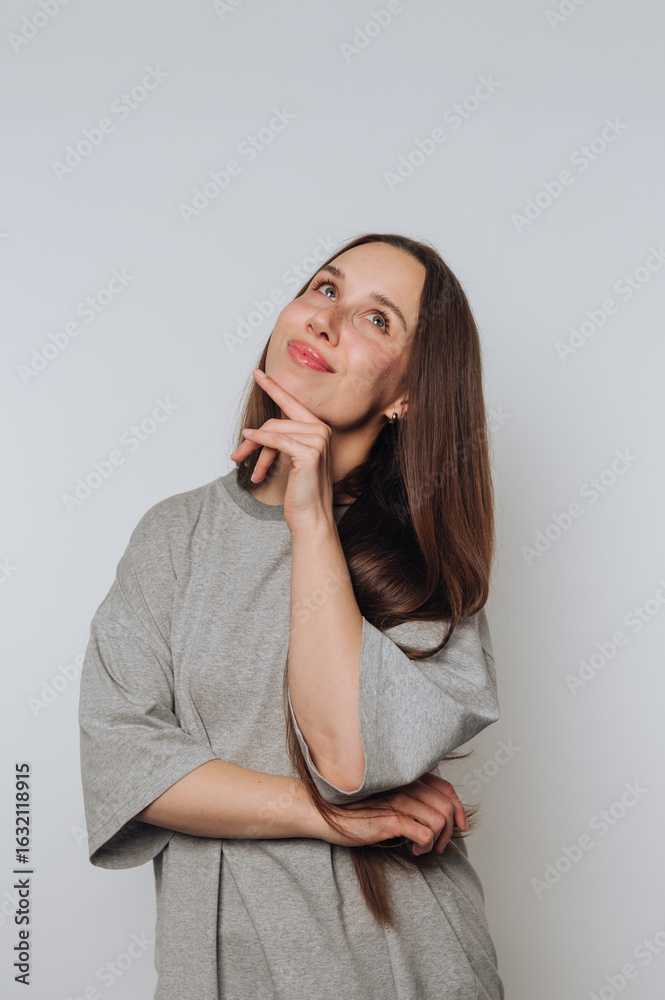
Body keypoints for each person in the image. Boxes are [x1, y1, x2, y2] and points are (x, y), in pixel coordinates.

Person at [78, 232, 505, 999]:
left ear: (407, 393)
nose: (326, 320)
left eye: (377, 319)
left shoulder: (422, 565)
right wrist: (331, 819)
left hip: (399, 968)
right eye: (324, 289)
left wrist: (310, 520)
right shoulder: (174, 535)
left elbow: (345, 760)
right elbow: (123, 765)